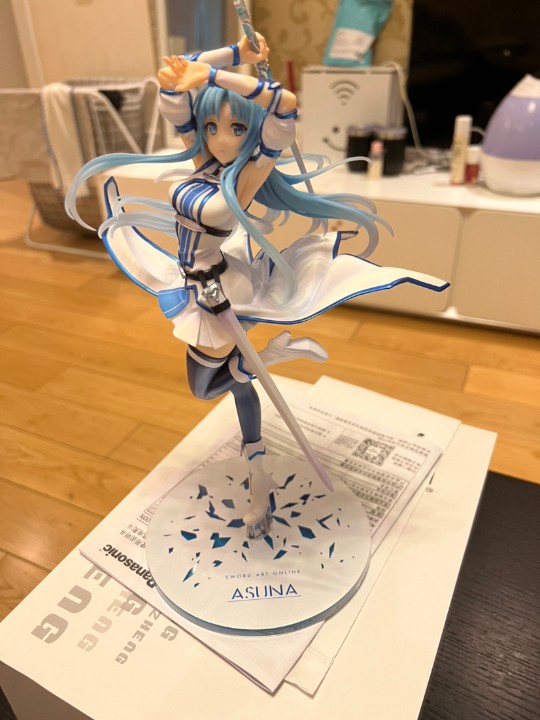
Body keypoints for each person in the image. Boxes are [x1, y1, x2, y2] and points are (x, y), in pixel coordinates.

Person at [65, 35, 448, 536]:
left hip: (218, 290)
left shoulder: (247, 175)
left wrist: (215, 76)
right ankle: (258, 471)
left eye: (236, 127)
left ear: (251, 134)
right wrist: (236, 53)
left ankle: (272, 355)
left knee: (205, 387)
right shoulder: (203, 162)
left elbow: (285, 104)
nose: (221, 138)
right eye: (212, 126)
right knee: (237, 388)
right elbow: (176, 88)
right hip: (197, 280)